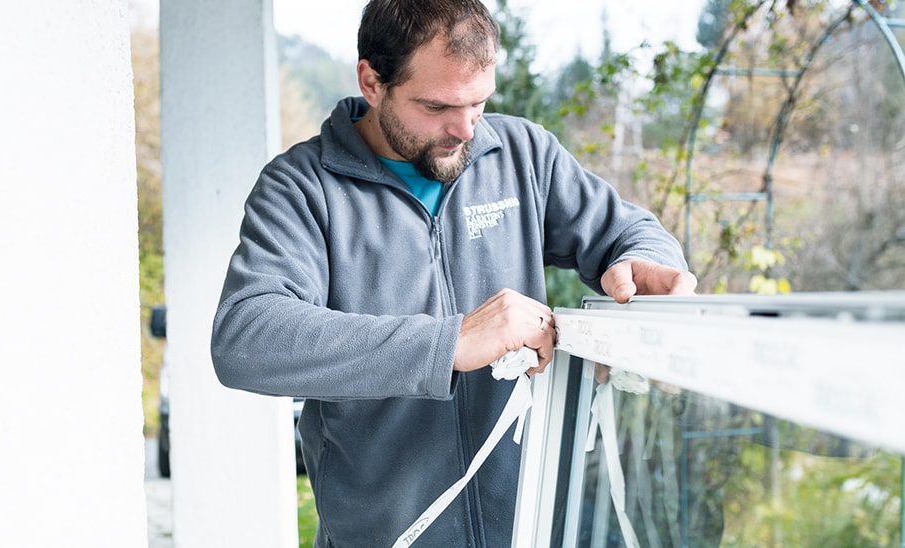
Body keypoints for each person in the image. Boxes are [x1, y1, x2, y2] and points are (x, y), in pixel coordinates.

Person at [210, 0, 697, 545]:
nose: (465, 129)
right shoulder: (301, 188)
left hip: (530, 532)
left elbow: (631, 233)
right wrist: (450, 342)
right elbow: (247, 337)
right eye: (438, 105)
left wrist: (647, 265)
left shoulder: (523, 154)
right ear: (372, 82)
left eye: (479, 103)